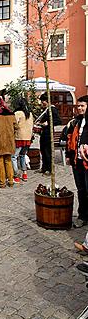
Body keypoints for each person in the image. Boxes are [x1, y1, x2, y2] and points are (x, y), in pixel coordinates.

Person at [66, 96, 88, 228]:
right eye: (78, 106)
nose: (79, 108)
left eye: (82, 106)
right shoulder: (76, 122)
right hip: (77, 161)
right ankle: (82, 215)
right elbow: (70, 140)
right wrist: (68, 155)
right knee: (81, 189)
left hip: (87, 161)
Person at [0, 97, 18, 188]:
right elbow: (16, 127)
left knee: (0, 162)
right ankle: (10, 181)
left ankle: (2, 183)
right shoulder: (11, 114)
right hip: (9, 141)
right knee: (8, 160)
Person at [36, 93, 62, 175]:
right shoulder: (46, 109)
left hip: (49, 133)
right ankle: (44, 168)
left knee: (48, 152)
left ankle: (49, 169)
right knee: (43, 151)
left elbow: (58, 121)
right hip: (44, 133)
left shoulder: (52, 109)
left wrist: (48, 123)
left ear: (47, 101)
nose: (41, 103)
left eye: (43, 101)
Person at [11, 98, 34, 184]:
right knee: (22, 155)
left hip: (19, 138)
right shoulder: (30, 114)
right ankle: (24, 174)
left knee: (13, 157)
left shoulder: (17, 113)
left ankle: (16, 176)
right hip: (28, 138)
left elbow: (14, 125)